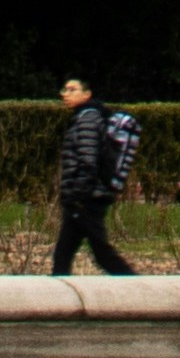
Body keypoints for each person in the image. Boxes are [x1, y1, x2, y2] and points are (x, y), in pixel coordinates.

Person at [50, 77, 137, 278]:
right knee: (63, 253)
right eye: (65, 89)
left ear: (87, 94)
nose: (65, 94)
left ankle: (142, 292)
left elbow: (88, 161)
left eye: (72, 90)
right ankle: (58, 300)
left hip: (86, 199)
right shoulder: (86, 118)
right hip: (83, 198)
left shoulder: (88, 120)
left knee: (102, 253)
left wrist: (78, 195)